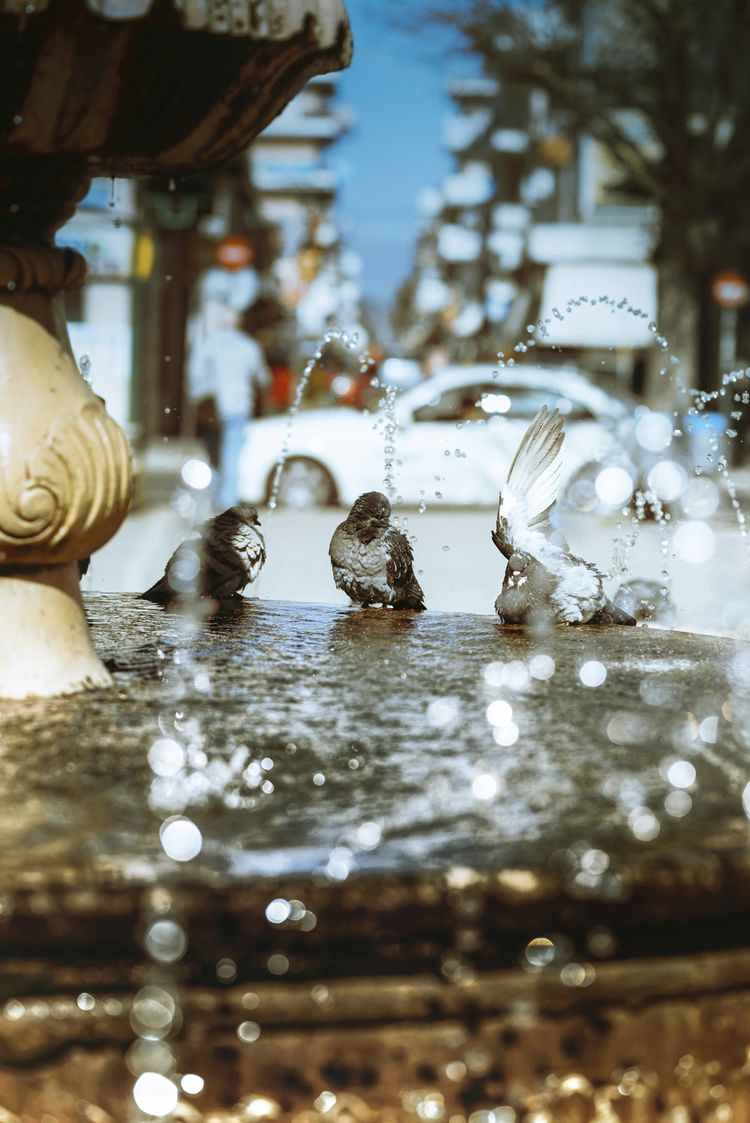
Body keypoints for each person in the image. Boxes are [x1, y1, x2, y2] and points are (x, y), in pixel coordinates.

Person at [188, 305, 271, 509]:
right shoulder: (249, 346)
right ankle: (227, 498)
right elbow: (264, 378)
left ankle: (213, 495)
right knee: (232, 451)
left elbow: (195, 376)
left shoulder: (208, 346)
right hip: (239, 405)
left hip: (213, 407)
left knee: (213, 449)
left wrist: (199, 396)